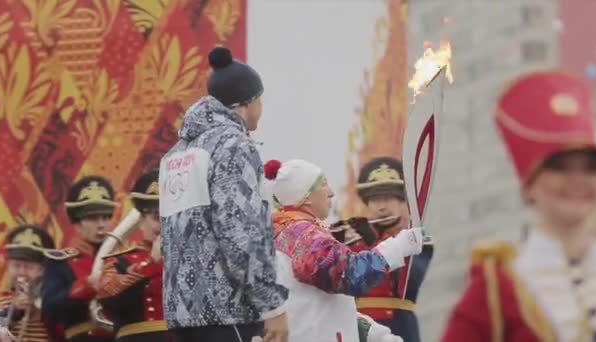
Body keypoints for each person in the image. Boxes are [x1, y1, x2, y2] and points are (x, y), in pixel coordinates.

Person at [441, 71, 596, 341]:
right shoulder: (495, 288)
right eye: (559, 167)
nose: (578, 180)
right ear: (530, 184)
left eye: (590, 168)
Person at [159, 47, 288, 342]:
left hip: (183, 315)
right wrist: (272, 305)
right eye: (260, 99)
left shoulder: (176, 154)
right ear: (246, 102)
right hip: (228, 311)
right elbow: (239, 231)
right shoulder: (233, 145)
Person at [264, 159, 424, 342]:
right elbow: (349, 274)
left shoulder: (290, 233)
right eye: (324, 184)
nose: (331, 193)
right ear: (305, 196)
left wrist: (376, 336)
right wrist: (399, 246)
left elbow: (325, 307)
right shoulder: (302, 237)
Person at [347, 157, 433, 342]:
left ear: (402, 202)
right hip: (359, 329)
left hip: (399, 326)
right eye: (375, 199)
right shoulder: (352, 241)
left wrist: (371, 245)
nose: (382, 206)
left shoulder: (418, 240)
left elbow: (409, 277)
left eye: (388, 198)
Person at [42, 176, 117, 342]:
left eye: (105, 217)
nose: (101, 225)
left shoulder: (121, 259)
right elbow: (50, 310)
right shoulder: (59, 262)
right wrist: (84, 288)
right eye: (92, 218)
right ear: (76, 224)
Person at [97, 170, 168, 341]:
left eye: (170, 217)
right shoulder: (117, 261)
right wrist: (151, 263)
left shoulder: (190, 259)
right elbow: (110, 301)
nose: (165, 225)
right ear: (141, 221)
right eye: (157, 218)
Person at [0, 225, 55, 341]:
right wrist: (15, 312)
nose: (22, 272)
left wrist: (37, 308)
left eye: (29, 267)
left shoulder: (55, 303)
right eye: (16, 266)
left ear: (44, 270)